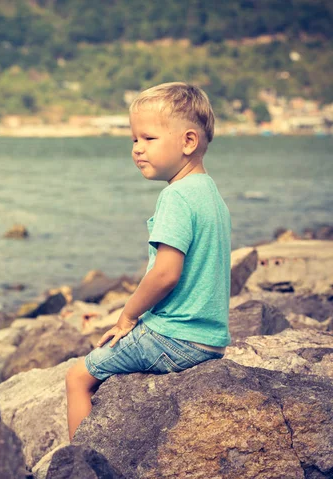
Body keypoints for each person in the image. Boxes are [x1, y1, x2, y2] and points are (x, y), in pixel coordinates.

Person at [65, 82, 232, 441]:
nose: (137, 150)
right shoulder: (211, 193)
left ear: (188, 142)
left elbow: (166, 274)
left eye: (148, 139)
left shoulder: (176, 197)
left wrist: (128, 316)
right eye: (134, 140)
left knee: (77, 378)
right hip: (211, 340)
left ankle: (79, 462)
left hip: (173, 339)